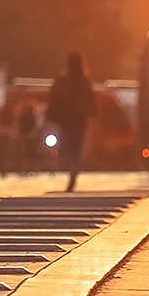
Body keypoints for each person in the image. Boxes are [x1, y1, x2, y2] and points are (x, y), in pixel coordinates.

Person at [47, 53, 96, 192]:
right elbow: (91, 102)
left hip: (66, 119)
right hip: (80, 120)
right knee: (76, 146)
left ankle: (70, 167)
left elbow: (53, 97)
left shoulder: (63, 80)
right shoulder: (84, 81)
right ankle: (74, 169)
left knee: (66, 145)